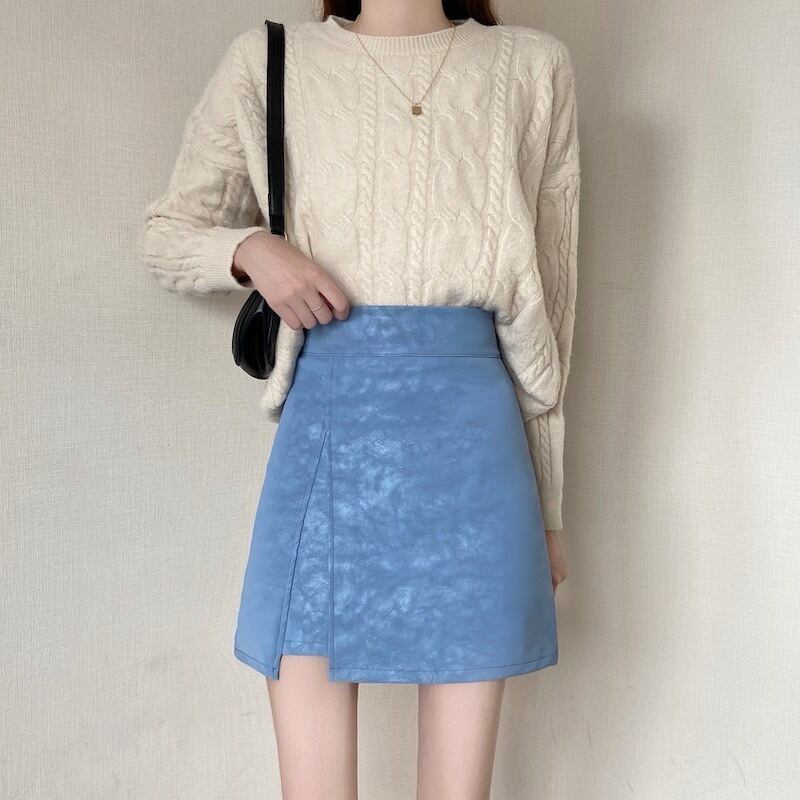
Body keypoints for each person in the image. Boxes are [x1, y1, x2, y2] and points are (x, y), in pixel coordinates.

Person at [139, 2, 579, 797]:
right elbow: (168, 233)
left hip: (475, 443)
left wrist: (548, 509)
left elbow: (555, 298)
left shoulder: (531, 65)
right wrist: (252, 250)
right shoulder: (268, 61)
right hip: (329, 427)